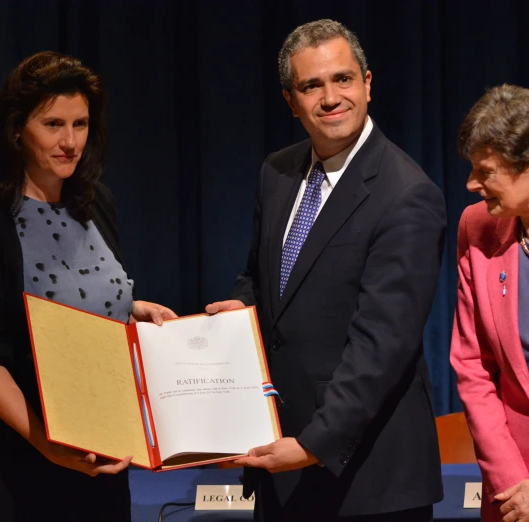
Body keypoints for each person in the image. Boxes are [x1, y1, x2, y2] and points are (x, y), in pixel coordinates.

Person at [206, 19, 445, 521]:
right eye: (312, 85)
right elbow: (259, 276)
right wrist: (243, 311)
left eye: (343, 79)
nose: (331, 97)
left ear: (368, 84)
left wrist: (314, 443)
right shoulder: (277, 171)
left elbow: (382, 346)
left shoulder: (407, 194)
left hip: (367, 478)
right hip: (280, 462)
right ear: (291, 101)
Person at [0, 51, 176, 522]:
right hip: (8, 464)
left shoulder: (97, 202)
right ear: (16, 130)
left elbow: (75, 295)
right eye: (53, 125)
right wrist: (46, 446)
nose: (70, 142)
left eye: (81, 125)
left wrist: (132, 308)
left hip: (94, 456)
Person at [450, 84, 529, 522]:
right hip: (512, 490)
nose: (471, 184)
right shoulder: (477, 227)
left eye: (487, 171)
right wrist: (510, 478)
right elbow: (472, 365)